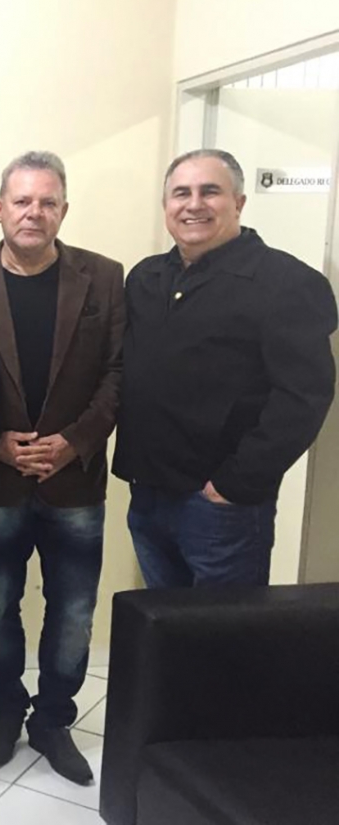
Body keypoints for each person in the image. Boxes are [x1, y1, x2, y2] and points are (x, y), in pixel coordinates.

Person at [0, 151, 124, 786]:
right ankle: (4, 709)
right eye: (22, 201)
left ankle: (52, 720)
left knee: (73, 610)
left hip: (75, 481)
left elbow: (118, 373)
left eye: (47, 202)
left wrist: (75, 441)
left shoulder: (104, 277)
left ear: (63, 210)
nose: (34, 213)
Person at [113, 148, 337, 587]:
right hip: (149, 496)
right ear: (166, 206)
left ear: (239, 202)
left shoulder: (287, 283)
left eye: (210, 191)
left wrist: (236, 483)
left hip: (222, 506)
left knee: (224, 627)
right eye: (181, 193)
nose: (193, 204)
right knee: (163, 623)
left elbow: (304, 397)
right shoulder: (145, 278)